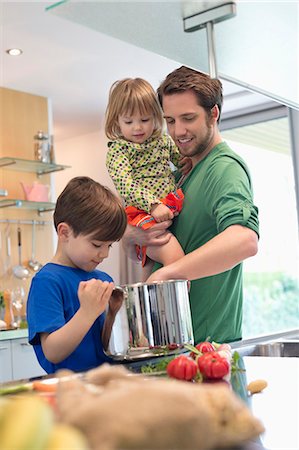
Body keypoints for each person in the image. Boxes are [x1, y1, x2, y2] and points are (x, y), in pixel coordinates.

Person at [123, 66, 259, 344]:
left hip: (209, 346)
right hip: (172, 343)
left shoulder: (224, 169)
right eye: (170, 120)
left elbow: (245, 240)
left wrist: (171, 273)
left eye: (188, 118)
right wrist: (132, 236)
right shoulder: (178, 175)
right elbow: (140, 249)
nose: (178, 131)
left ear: (213, 114)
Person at [27, 176, 127, 374]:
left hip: (106, 381)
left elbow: (105, 346)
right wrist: (87, 312)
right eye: (97, 245)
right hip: (70, 388)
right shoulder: (47, 282)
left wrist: (113, 316)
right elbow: (53, 352)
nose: (105, 254)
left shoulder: (103, 279)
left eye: (110, 246)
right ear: (64, 233)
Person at [105, 77, 192, 268]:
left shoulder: (163, 141)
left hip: (168, 206)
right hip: (142, 213)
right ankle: (181, 287)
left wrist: (185, 162)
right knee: (172, 253)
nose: (137, 127)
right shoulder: (119, 150)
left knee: (152, 271)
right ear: (117, 122)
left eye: (145, 120)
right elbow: (125, 185)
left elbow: (180, 159)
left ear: (155, 117)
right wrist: (152, 204)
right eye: (129, 121)